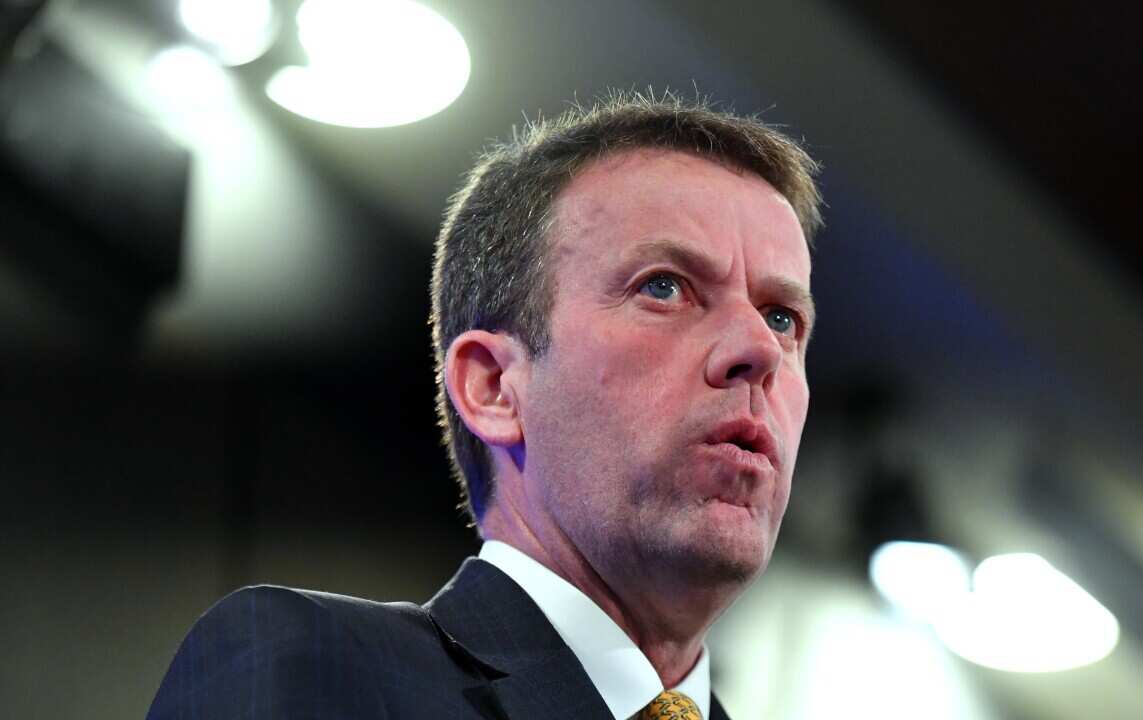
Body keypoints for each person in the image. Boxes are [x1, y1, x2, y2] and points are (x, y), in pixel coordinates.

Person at [147, 91, 823, 720]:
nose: (758, 349)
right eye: (666, 288)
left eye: (783, 318)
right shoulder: (317, 672)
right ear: (495, 388)